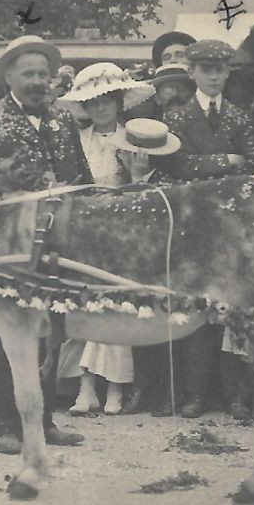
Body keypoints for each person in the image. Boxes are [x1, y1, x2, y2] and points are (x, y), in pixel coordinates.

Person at [0, 36, 91, 453]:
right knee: (11, 330)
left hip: (59, 241)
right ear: (9, 76)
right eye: (28, 73)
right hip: (8, 244)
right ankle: (7, 427)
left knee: (52, 329)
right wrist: (3, 183)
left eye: (43, 74)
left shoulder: (63, 121)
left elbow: (82, 175)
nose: (37, 81)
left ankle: (44, 421)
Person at [158, 39, 254, 417]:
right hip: (195, 220)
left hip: (232, 221)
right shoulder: (176, 118)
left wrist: (215, 162)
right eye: (206, 69)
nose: (214, 76)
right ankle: (196, 392)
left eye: (220, 69)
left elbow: (252, 163)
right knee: (195, 306)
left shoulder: (242, 117)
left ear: (228, 72)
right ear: (192, 73)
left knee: (232, 306)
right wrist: (226, 158)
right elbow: (178, 166)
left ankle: (235, 393)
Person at [56, 63, 156, 416]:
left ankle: (112, 387)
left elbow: (143, 194)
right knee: (85, 307)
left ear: (118, 102)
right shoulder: (75, 141)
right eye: (94, 102)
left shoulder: (132, 139)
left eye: (108, 100)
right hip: (83, 229)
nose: (101, 108)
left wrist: (138, 173)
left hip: (121, 230)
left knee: (113, 307)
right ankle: (86, 387)